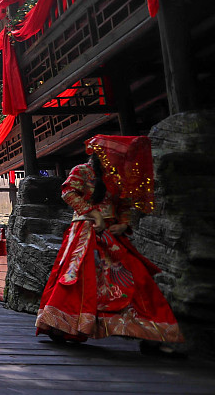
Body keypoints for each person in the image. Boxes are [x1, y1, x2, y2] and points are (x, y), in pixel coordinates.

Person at [35, 135, 184, 354]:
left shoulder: (116, 176)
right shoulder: (82, 171)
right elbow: (68, 192)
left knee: (138, 277)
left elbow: (123, 205)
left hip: (113, 237)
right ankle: (63, 326)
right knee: (80, 280)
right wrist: (92, 213)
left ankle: (154, 333)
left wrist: (123, 224)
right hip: (85, 233)